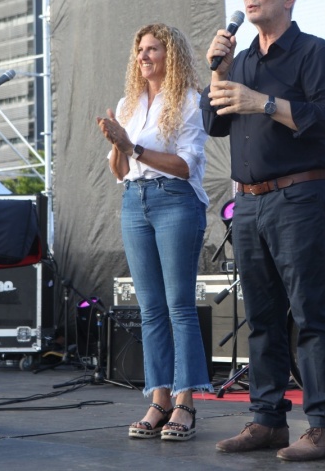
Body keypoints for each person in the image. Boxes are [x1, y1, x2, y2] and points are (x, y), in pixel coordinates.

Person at [202, 0, 325, 462]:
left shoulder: (314, 53)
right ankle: (268, 421)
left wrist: (262, 102)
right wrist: (219, 67)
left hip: (298, 197)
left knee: (310, 314)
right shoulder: (240, 61)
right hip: (247, 204)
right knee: (261, 319)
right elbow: (213, 123)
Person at [96, 23, 212, 442]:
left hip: (176, 200)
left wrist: (133, 148)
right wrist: (117, 144)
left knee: (178, 304)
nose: (143, 56)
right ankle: (158, 398)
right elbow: (120, 171)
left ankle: (186, 403)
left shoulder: (187, 100)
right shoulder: (127, 103)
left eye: (152, 49)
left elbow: (186, 165)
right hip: (134, 201)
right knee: (150, 309)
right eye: (139, 50)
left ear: (171, 55)